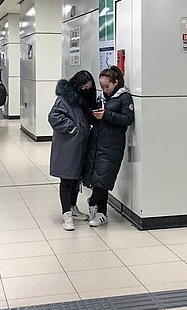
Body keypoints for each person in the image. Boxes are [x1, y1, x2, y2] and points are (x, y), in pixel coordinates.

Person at [82, 66, 135, 227]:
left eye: (107, 86)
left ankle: (93, 202)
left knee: (103, 179)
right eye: (102, 86)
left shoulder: (124, 97)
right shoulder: (103, 97)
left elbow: (127, 119)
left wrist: (106, 115)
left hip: (112, 144)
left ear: (116, 82)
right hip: (97, 142)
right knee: (97, 178)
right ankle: (101, 213)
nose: (105, 90)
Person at [48, 70, 95, 231]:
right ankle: (66, 214)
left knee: (75, 179)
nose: (87, 90)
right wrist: (73, 129)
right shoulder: (64, 100)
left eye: (89, 88)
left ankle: (73, 208)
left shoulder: (82, 101)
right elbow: (54, 117)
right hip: (67, 146)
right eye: (85, 87)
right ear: (78, 85)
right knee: (66, 180)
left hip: (80, 146)